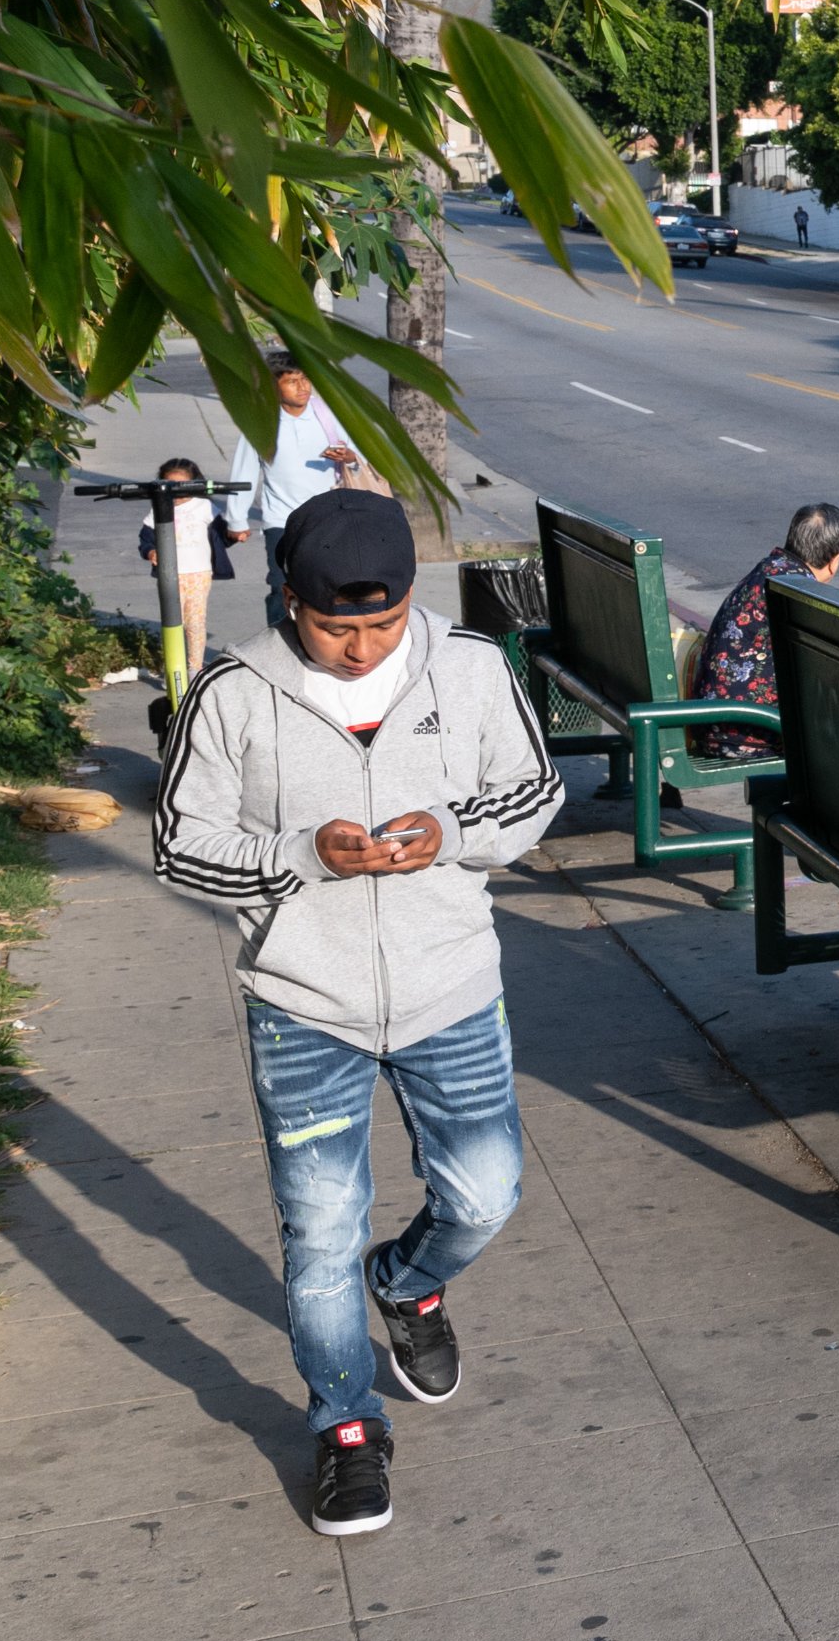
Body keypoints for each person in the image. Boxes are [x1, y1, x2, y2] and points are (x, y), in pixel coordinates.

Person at [153, 490, 563, 1539]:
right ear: (290, 600)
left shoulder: (470, 667)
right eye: (336, 625)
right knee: (319, 1229)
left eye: (380, 625)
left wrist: (450, 828)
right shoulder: (233, 691)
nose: (359, 645)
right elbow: (179, 846)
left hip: (450, 986)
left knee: (486, 1190)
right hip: (305, 1004)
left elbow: (534, 793)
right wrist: (300, 856)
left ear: (410, 597)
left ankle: (411, 1281)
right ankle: (345, 1425)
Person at [683, 503, 839, 759]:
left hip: (712, 723)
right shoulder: (800, 593)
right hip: (750, 731)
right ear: (835, 561)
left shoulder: (768, 569)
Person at [223, 354, 364, 628]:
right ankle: (278, 646)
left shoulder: (328, 416)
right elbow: (245, 472)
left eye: (305, 379)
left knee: (333, 586)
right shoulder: (261, 422)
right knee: (281, 587)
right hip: (281, 522)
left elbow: (361, 459)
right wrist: (236, 520)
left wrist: (348, 457)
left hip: (329, 519)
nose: (302, 387)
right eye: (291, 381)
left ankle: (329, 642)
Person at [142, 455, 218, 673]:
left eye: (181, 487)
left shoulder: (204, 507)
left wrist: (236, 533)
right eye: (170, 486)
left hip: (198, 574)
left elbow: (221, 533)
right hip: (169, 574)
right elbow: (146, 537)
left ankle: (194, 668)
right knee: (172, 623)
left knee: (195, 623)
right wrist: (150, 551)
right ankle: (173, 668)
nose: (176, 492)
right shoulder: (159, 507)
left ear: (194, 485)